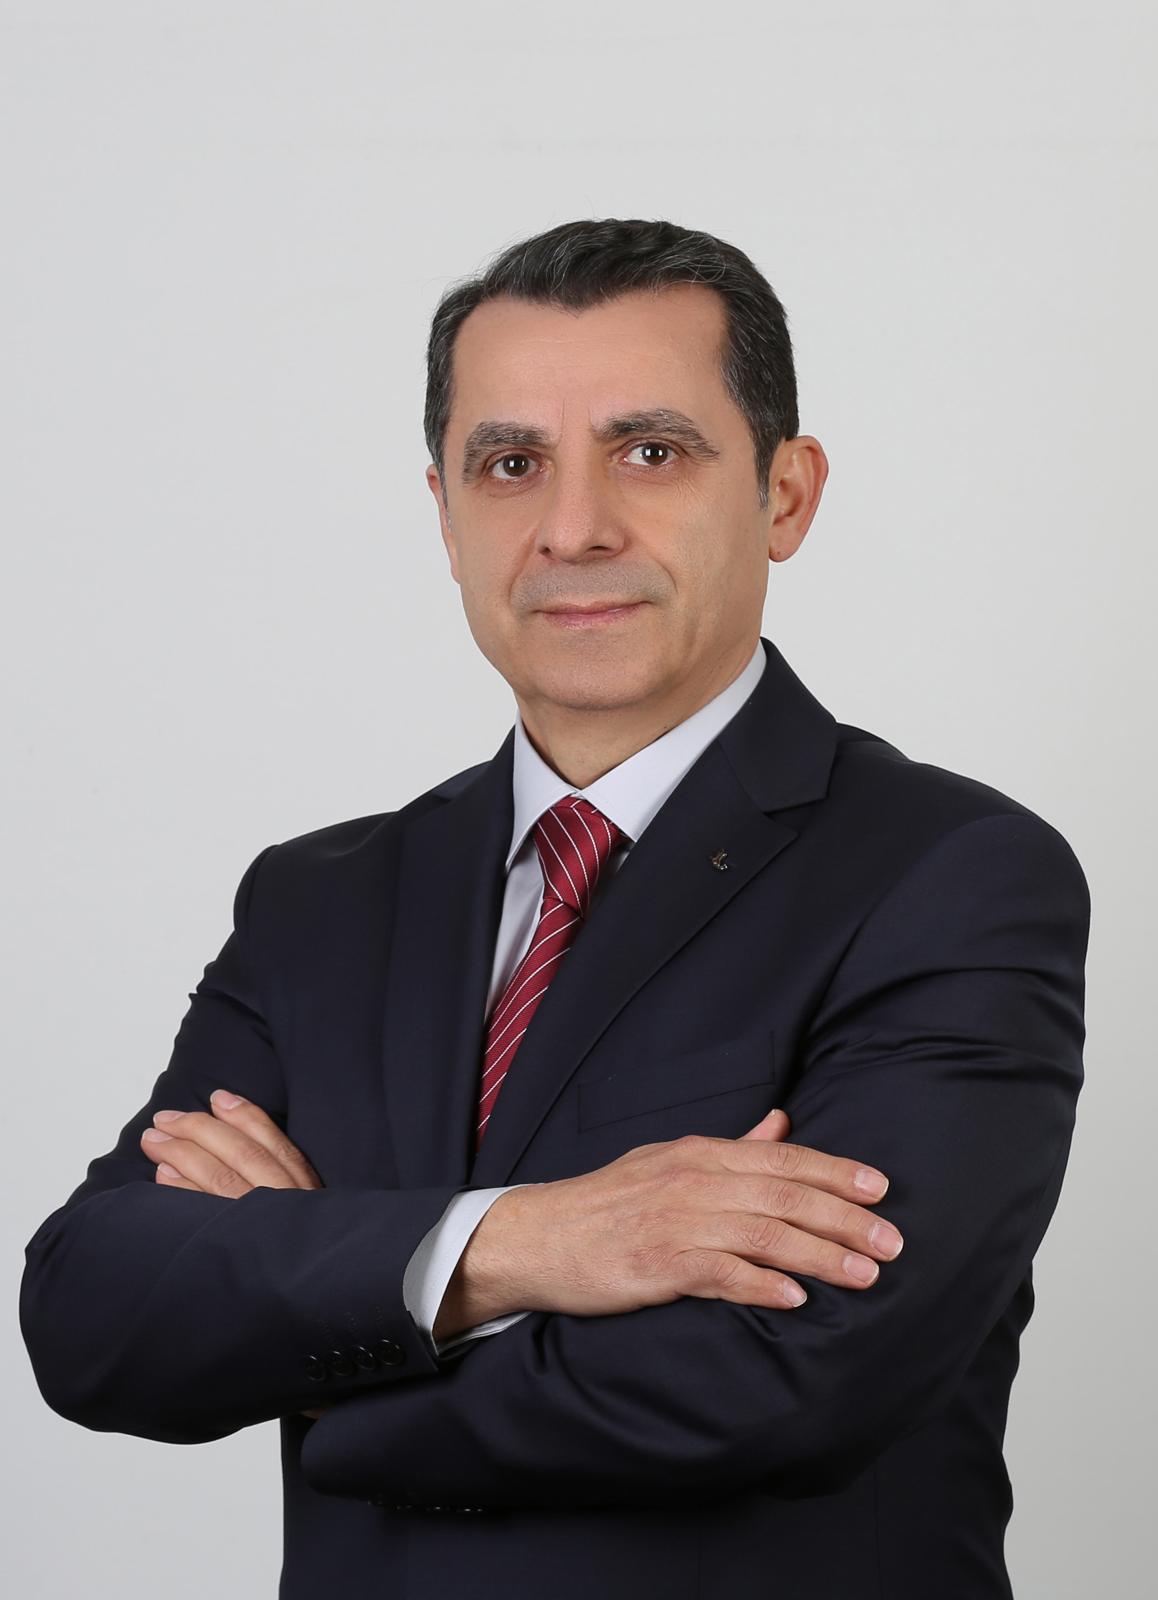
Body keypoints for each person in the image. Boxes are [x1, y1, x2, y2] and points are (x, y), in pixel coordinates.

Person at [20, 217, 1090, 1599]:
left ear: (785, 495)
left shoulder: (950, 874)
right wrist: (532, 1242)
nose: (573, 528)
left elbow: (794, 1375)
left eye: (649, 452)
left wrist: (325, 1336)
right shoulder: (320, 902)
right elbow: (95, 1310)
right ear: (445, 514)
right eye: (511, 464)